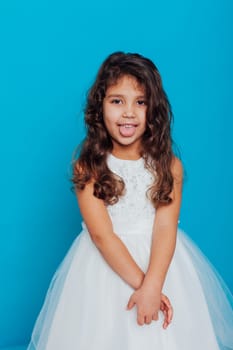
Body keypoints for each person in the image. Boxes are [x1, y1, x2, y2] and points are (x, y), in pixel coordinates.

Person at [27, 52, 233, 350]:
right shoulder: (88, 167)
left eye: (140, 102)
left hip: (160, 266)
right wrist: (143, 286)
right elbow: (102, 234)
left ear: (154, 110)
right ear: (100, 108)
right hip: (105, 266)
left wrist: (154, 284)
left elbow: (165, 227)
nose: (128, 113)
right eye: (117, 101)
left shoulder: (169, 165)